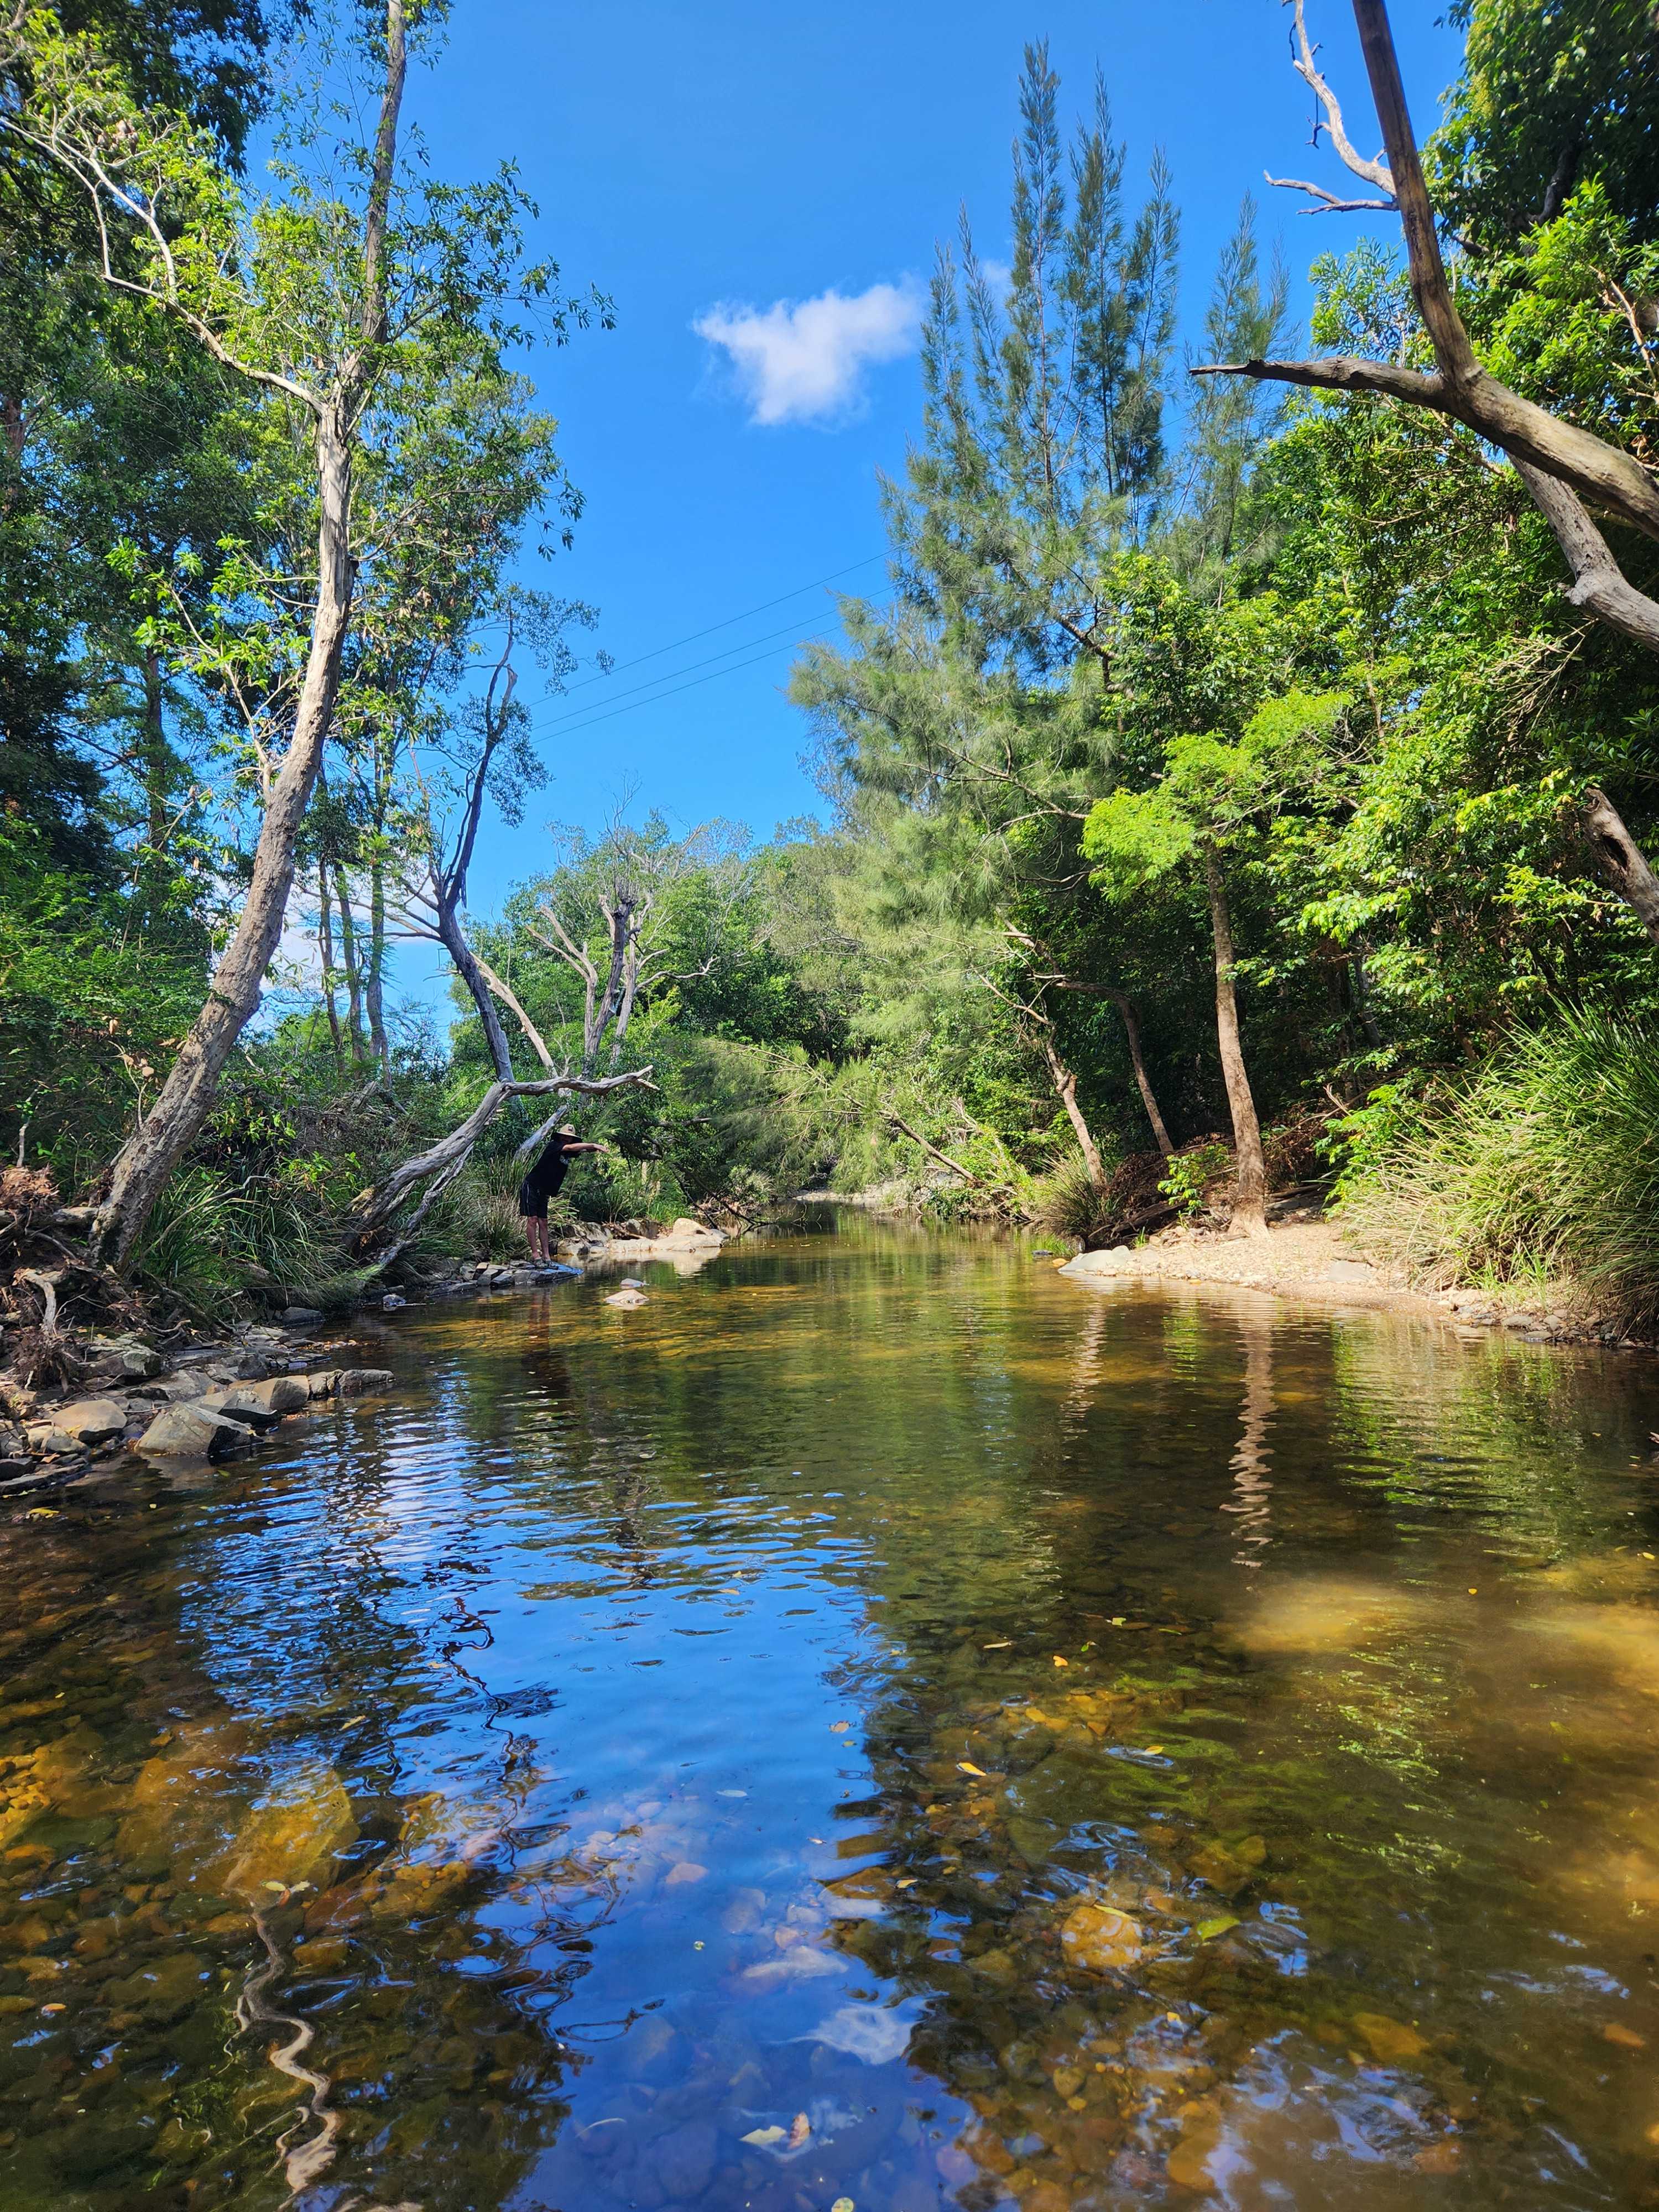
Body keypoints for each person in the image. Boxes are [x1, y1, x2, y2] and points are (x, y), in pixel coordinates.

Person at [518, 1125, 606, 1261]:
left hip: (544, 1190)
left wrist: (595, 1148)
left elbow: (582, 1150)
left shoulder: (567, 1152)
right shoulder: (554, 1146)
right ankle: (535, 1255)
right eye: (564, 1136)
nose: (566, 1138)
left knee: (544, 1222)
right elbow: (571, 1148)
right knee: (532, 1219)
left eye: (569, 1137)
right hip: (532, 1186)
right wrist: (594, 1144)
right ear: (559, 1136)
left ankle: (546, 1256)